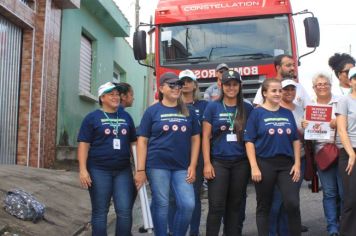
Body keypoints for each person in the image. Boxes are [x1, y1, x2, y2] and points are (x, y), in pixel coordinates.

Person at [134, 72, 201, 236]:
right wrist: (140, 170)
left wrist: (192, 165)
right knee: (162, 204)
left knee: (188, 205)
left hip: (181, 167)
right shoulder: (152, 111)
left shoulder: (188, 112)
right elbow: (142, 141)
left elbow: (195, 139)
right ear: (161, 88)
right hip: (157, 165)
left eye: (178, 85)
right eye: (172, 85)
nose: (176, 88)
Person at [77, 82, 137, 236]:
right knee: (100, 212)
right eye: (111, 94)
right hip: (98, 170)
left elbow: (133, 143)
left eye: (117, 94)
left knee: (124, 210)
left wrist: (139, 169)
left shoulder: (126, 117)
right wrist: (83, 170)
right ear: (102, 97)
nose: (116, 97)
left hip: (123, 171)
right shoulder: (92, 118)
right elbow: (84, 145)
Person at [244, 78, 302, 236]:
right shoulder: (257, 113)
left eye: (279, 90)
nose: (278, 93)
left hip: (286, 165)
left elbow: (296, 140)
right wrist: (254, 166)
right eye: (274, 91)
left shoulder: (287, 113)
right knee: (264, 206)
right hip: (264, 164)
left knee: (292, 203)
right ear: (265, 93)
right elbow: (249, 141)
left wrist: (297, 164)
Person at [202, 70, 253, 236]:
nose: (231, 87)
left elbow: (252, 137)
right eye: (227, 84)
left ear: (239, 86)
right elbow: (205, 137)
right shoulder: (213, 106)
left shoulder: (247, 108)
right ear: (221, 86)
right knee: (216, 206)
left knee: (235, 206)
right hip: (218, 162)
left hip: (241, 163)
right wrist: (207, 163)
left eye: (234, 84)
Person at [167, 69, 208, 236]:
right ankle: (173, 231)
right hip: (174, 157)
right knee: (172, 198)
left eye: (189, 81)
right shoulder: (170, 105)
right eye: (181, 81)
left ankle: (194, 232)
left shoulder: (205, 106)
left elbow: (206, 134)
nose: (185, 84)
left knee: (193, 198)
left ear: (195, 85)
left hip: (195, 158)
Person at [302, 73, 343, 236]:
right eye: (318, 84)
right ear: (314, 87)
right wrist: (305, 125)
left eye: (325, 83)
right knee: (330, 192)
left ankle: (344, 222)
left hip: (342, 151)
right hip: (322, 154)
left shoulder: (341, 101)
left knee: (344, 192)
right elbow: (308, 133)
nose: (322, 86)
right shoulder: (310, 106)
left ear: (330, 85)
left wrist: (339, 122)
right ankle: (332, 227)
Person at [269, 79, 307, 235]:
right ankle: (272, 232)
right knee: (276, 201)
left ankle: (285, 231)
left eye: (292, 89)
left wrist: (308, 127)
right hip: (279, 161)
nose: (289, 92)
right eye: (285, 89)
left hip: (300, 159)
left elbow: (305, 136)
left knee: (290, 201)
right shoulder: (273, 109)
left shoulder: (301, 109)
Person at [336, 67, 356, 236]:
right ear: (350, 81)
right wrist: (351, 153)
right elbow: (341, 130)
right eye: (355, 78)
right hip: (350, 153)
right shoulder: (344, 100)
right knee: (351, 199)